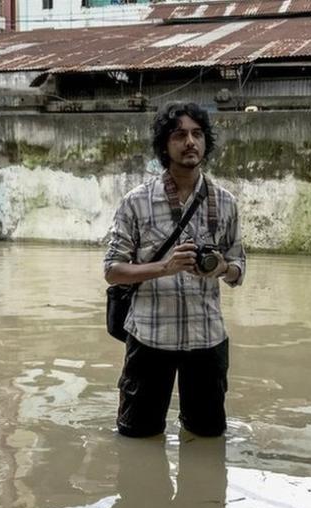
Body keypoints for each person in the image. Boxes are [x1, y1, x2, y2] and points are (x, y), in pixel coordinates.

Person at [103, 102, 246, 438]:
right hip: (151, 336)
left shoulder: (225, 202)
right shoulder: (135, 202)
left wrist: (223, 267)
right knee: (137, 436)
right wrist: (164, 268)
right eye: (180, 135)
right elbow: (112, 271)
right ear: (165, 145)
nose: (190, 142)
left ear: (206, 142)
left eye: (197, 134)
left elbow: (239, 268)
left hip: (207, 338)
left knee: (208, 435)